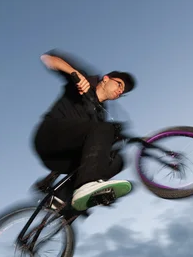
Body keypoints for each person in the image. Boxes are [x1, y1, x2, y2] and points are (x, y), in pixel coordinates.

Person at [31, 49, 137, 213]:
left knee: (116, 159)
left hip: (60, 159)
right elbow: (49, 59)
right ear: (106, 79)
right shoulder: (86, 81)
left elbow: (92, 148)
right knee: (103, 130)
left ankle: (64, 204)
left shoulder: (101, 115)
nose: (120, 91)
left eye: (123, 92)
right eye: (119, 84)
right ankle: (86, 185)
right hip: (48, 136)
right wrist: (76, 74)